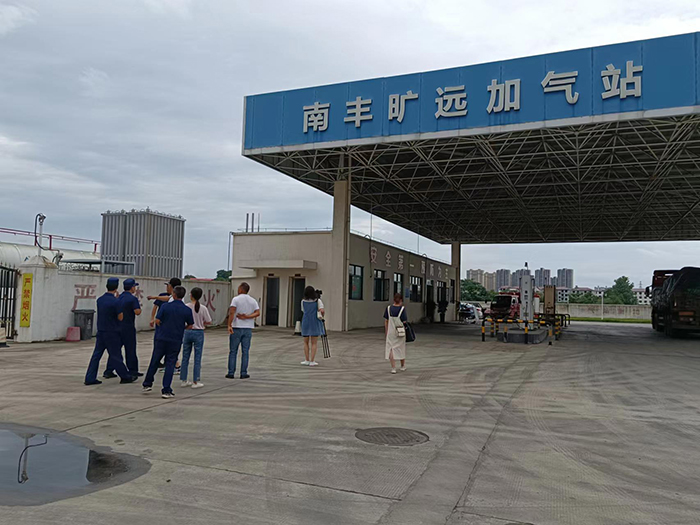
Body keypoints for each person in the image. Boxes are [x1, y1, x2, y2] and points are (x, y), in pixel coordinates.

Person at [142, 286, 194, 399]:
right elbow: (190, 325)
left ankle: (147, 383)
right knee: (170, 363)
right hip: (175, 339)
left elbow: (157, 320)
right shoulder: (186, 310)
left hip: (161, 338)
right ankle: (166, 389)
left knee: (155, 360)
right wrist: (181, 328)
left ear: (173, 295)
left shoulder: (165, 306)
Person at [84, 277, 137, 385]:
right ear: (116, 287)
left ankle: (90, 377)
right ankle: (125, 376)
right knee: (116, 355)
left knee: (96, 355)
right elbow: (120, 317)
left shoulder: (100, 300)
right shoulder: (116, 302)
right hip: (112, 332)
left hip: (101, 330)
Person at [103, 278, 142, 379]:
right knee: (130, 349)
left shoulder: (118, 298)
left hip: (117, 327)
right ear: (132, 287)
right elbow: (137, 312)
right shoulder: (132, 299)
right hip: (128, 327)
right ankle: (133, 370)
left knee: (115, 351)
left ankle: (109, 370)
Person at [226, 282, 260, 379]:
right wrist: (247, 317)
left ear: (241, 289)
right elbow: (257, 313)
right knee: (245, 351)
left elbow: (232, 312)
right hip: (248, 328)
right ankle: (243, 372)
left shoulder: (236, 299)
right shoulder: (253, 300)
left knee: (233, 351)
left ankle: (231, 372)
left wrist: (229, 324)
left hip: (236, 327)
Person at [180, 287, 212, 388]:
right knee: (197, 357)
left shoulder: (186, 306)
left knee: (185, 356)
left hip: (187, 331)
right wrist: (202, 323)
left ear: (191, 295)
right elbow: (209, 321)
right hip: (199, 332)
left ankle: (184, 379)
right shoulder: (203, 308)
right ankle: (196, 381)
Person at [148, 277, 181, 372]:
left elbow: (168, 298)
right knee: (159, 344)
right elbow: (155, 306)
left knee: (169, 346)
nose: (167, 287)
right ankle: (161, 362)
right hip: (161, 325)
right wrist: (152, 318)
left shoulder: (177, 298)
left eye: (168, 285)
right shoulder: (163, 295)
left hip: (170, 326)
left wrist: (154, 297)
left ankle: (175, 365)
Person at [300, 286, 325, 367]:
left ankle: (306, 359)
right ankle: (312, 360)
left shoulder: (303, 301)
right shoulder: (318, 301)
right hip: (315, 322)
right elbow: (322, 310)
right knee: (314, 343)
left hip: (306, 321)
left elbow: (303, 310)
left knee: (305, 342)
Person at [384, 292, 408, 375]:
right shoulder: (402, 309)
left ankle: (393, 368)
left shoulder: (388, 308)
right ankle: (402, 366)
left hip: (390, 332)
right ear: (401, 300)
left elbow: (386, 321)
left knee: (391, 349)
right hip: (400, 332)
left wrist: (386, 331)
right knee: (401, 348)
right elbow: (404, 321)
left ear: (393, 300)